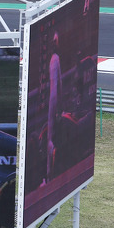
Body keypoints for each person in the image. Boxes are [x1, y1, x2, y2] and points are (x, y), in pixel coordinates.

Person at [46, 32, 62, 178]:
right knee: (50, 136)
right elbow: (59, 84)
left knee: (51, 136)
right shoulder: (54, 59)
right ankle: (49, 171)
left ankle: (50, 171)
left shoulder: (53, 59)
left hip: (52, 101)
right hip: (52, 101)